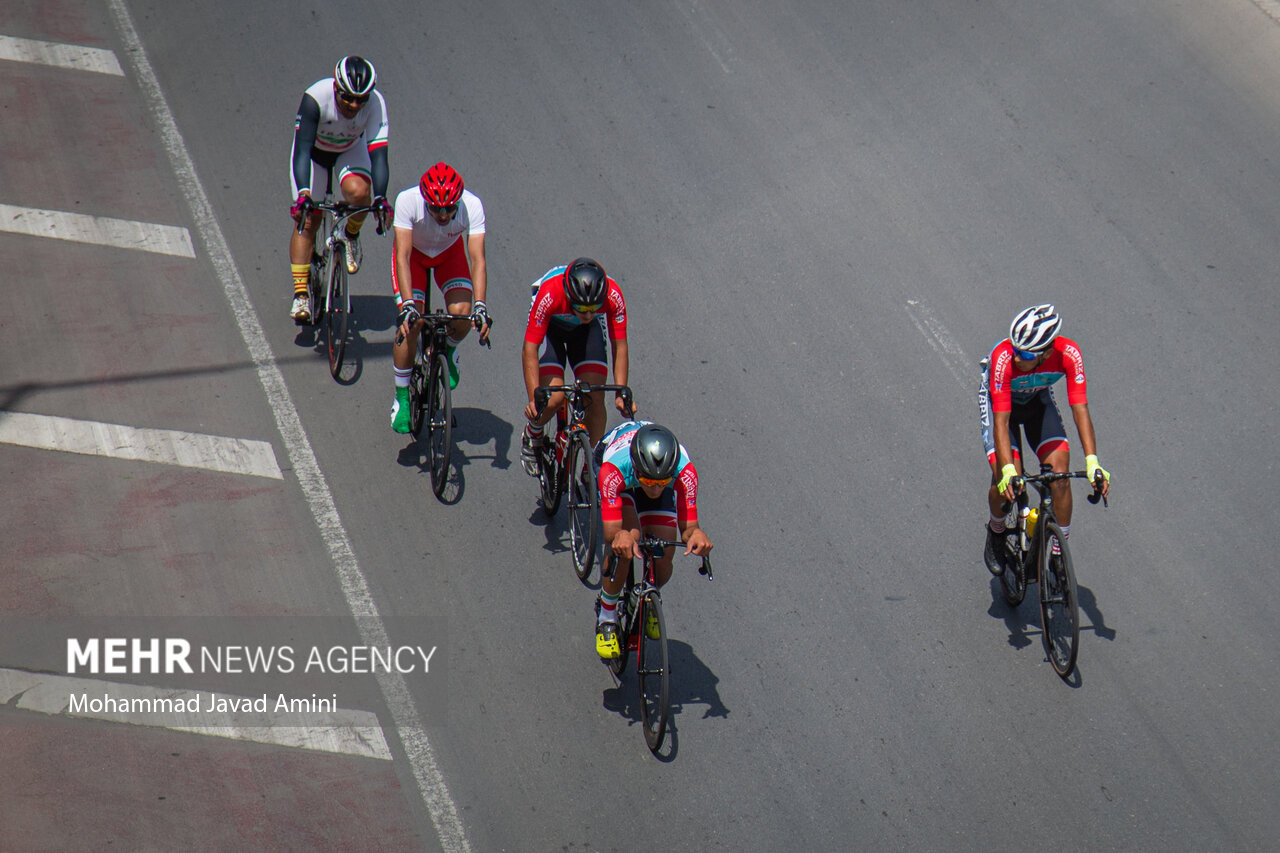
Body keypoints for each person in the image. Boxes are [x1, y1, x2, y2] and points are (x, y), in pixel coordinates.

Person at [978, 304, 1111, 577]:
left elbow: (1080, 409)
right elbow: (1001, 422)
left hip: (1037, 403)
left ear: (1047, 352)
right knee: (1004, 479)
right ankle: (997, 530)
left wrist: (1093, 462)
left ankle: (1059, 555)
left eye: (1026, 354)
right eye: (1015, 348)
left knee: (1060, 477)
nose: (1017, 357)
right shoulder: (1003, 359)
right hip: (1001, 408)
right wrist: (1007, 470)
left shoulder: (1069, 354)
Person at [593, 421, 712, 660]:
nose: (656, 490)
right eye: (649, 483)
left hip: (646, 473)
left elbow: (689, 528)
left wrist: (696, 534)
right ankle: (606, 617)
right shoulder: (613, 469)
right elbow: (612, 532)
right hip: (622, 481)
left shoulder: (685, 473)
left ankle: (646, 597)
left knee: (664, 553)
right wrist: (621, 535)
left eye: (662, 483)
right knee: (626, 544)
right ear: (638, 470)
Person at [289, 56, 393, 324]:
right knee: (308, 220)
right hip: (313, 154)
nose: (354, 105)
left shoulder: (376, 104)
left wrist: (381, 198)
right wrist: (304, 194)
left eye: (361, 99)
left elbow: (379, 156)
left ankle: (350, 235)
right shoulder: (315, 98)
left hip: (349, 150)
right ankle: (301, 295)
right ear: (336, 88)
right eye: (348, 98)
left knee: (360, 194)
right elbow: (302, 150)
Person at [390, 162, 490, 433]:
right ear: (425, 201)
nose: (443, 214)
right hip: (414, 258)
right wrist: (408, 305)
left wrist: (481, 306)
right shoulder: (407, 201)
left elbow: (477, 259)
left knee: (463, 314)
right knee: (412, 324)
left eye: (449, 208)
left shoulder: (472, 205)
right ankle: (402, 398)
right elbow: (402, 256)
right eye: (435, 209)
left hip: (448, 254)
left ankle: (449, 350)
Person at [519, 258, 630, 474]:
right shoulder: (550, 294)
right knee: (552, 399)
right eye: (582, 308)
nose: (588, 315)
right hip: (551, 328)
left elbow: (620, 346)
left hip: (585, 334)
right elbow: (530, 350)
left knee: (595, 397)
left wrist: (621, 392)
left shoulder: (613, 295)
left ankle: (593, 467)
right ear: (570, 297)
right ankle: (533, 434)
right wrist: (534, 399)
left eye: (594, 308)